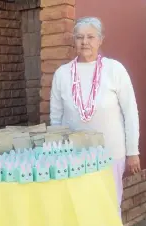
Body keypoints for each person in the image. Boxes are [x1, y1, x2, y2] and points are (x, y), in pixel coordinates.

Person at [50, 17, 141, 216]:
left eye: (90, 36)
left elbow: (130, 112)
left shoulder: (114, 69)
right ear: (73, 40)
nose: (85, 42)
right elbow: (55, 118)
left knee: (108, 205)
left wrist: (132, 151)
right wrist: (57, 151)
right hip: (74, 156)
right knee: (79, 207)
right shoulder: (62, 74)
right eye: (80, 37)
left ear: (101, 40)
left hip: (111, 153)